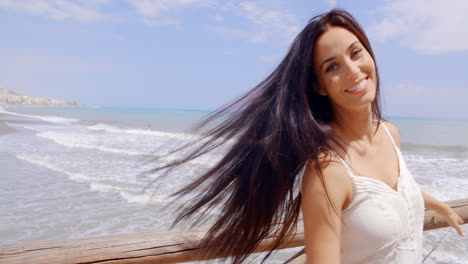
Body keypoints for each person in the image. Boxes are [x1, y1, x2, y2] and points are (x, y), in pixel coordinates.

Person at [150, 8, 464, 264]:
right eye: (332, 67)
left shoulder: (389, 133)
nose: (353, 70)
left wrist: (440, 206)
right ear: (318, 86)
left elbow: (389, 194)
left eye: (356, 53)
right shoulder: (327, 173)